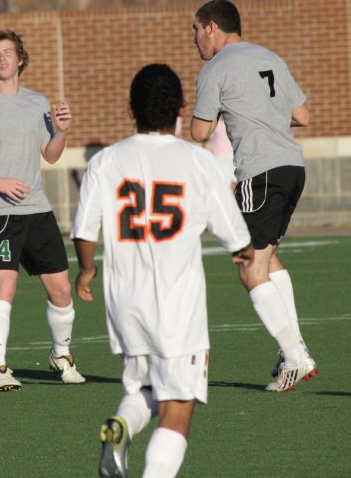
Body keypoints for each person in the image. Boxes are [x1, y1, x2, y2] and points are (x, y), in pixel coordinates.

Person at [72, 64, 253, 478]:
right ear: (182, 107)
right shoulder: (197, 161)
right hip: (177, 307)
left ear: (129, 108)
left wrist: (85, 272)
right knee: (178, 409)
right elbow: (235, 233)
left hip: (125, 304)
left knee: (143, 390)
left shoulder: (105, 161)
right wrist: (241, 250)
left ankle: (121, 426)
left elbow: (83, 229)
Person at [189, 0, 317, 392]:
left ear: (212, 27)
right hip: (293, 168)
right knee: (269, 258)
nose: (194, 40)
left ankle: (295, 354)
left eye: (195, 30)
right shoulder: (270, 56)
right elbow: (304, 115)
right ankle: (294, 351)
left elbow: (199, 132)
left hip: (260, 174)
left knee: (249, 267)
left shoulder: (215, 68)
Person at [0, 29, 85, 391]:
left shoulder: (37, 102)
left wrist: (61, 131)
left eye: (7, 52)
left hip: (38, 208)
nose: (1, 58)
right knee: (5, 284)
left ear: (20, 58)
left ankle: (62, 356)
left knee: (61, 289)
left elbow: (52, 154)